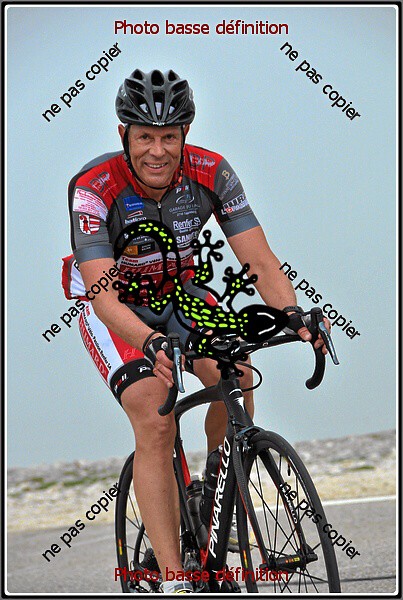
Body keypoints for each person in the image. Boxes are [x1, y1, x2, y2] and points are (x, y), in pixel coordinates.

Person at [62, 68, 329, 594]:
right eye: (145, 137)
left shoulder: (213, 172)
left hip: (178, 294)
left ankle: (212, 492)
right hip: (115, 307)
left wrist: (296, 314)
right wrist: (149, 342)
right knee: (154, 415)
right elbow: (102, 294)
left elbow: (259, 261)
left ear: (185, 133)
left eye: (168, 136)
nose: (157, 151)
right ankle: (174, 578)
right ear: (124, 135)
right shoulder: (94, 187)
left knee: (238, 372)